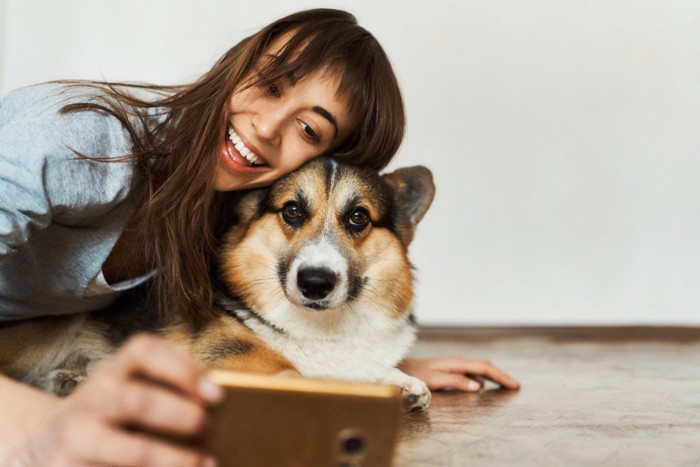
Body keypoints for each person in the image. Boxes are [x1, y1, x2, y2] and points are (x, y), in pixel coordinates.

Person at [0, 8, 519, 466]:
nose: (269, 128)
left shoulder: (226, 206)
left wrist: (363, 365)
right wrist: (35, 430)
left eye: (310, 130)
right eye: (271, 85)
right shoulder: (72, 139)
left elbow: (217, 334)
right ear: (237, 63)